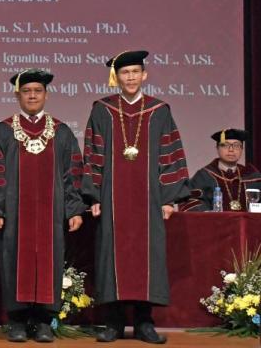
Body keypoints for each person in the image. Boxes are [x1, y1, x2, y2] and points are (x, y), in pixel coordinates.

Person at [82, 50, 190, 344]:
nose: (130, 77)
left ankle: (144, 323)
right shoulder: (102, 110)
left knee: (148, 257)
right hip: (111, 198)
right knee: (111, 255)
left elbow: (170, 154)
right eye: (124, 73)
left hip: (149, 200)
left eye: (134, 72)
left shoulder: (159, 111)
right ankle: (113, 323)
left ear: (144, 75)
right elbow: (93, 154)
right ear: (116, 77)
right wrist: (93, 195)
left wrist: (168, 198)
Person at [0, 69, 86, 343]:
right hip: (14, 216)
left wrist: (73, 209)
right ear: (18, 96)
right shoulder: (3, 131)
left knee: (50, 263)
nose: (32, 96)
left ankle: (44, 322)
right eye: (26, 91)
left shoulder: (60, 132)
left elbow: (72, 174)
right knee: (13, 262)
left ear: (46, 95)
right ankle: (17, 321)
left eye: (38, 91)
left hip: (51, 216)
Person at [180, 129, 261, 211]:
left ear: (242, 149)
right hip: (214, 219)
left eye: (236, 145)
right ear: (217, 148)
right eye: (225, 145)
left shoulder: (252, 175)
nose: (231, 149)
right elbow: (190, 202)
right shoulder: (204, 176)